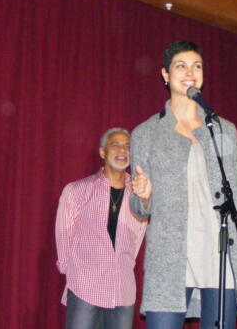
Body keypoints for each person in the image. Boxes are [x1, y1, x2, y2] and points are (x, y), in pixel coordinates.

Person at [130, 41, 237, 329]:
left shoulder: (222, 129)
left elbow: (235, 195)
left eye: (197, 66)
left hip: (219, 252)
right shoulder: (146, 133)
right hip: (171, 256)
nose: (190, 72)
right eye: (181, 66)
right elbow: (139, 208)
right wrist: (144, 195)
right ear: (165, 75)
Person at [55, 128, 147, 329]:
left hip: (122, 290)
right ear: (102, 152)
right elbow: (64, 234)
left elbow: (138, 237)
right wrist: (70, 270)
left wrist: (124, 264)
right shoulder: (78, 190)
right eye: (115, 144)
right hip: (85, 287)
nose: (122, 150)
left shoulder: (139, 195)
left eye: (127, 146)